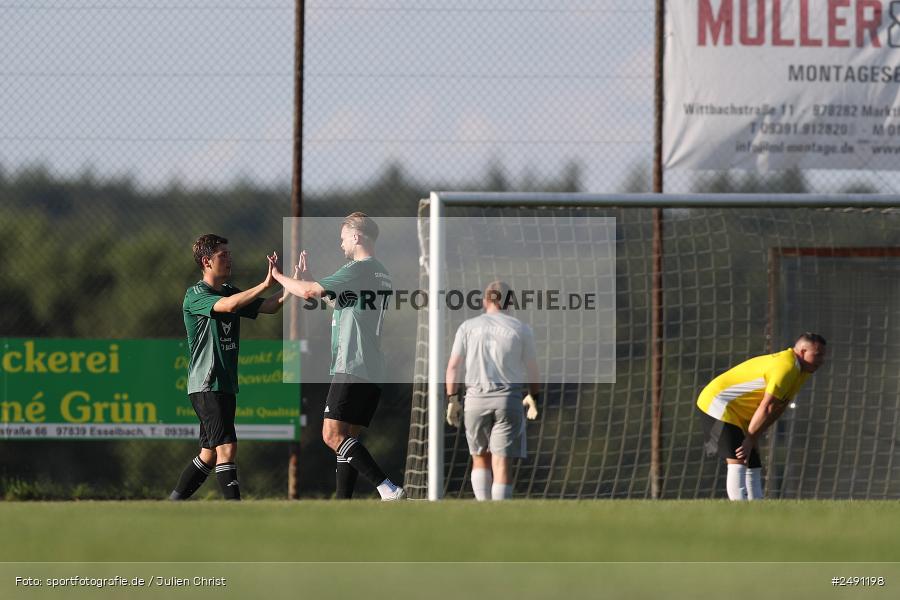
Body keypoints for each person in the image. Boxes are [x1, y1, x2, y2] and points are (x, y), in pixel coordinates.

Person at [273, 212, 405, 500]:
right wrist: (312, 283)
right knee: (347, 438)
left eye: (343, 237)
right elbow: (342, 305)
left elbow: (308, 293)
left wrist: (279, 277)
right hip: (371, 366)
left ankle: (388, 489)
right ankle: (343, 503)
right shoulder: (380, 271)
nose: (340, 243)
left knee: (331, 435)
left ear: (356, 237)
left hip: (352, 362)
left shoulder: (359, 268)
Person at [169, 234, 286, 501]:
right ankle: (235, 511)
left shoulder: (229, 290)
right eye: (223, 255)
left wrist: (292, 283)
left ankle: (172, 504)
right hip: (207, 383)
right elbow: (229, 306)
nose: (229, 258)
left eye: (229, 254)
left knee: (209, 454)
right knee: (227, 448)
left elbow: (269, 307)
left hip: (223, 383)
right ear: (206, 261)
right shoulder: (196, 295)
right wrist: (266, 282)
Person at [696, 332, 827, 501]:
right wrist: (750, 438)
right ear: (802, 351)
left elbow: (778, 408)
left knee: (753, 461)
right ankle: (740, 514)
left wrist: (753, 436)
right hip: (717, 403)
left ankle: (758, 509)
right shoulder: (786, 367)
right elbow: (768, 405)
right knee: (739, 458)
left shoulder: (801, 370)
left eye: (823, 356)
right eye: (817, 355)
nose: (821, 360)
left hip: (738, 411)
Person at [445, 281, 541, 500]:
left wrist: (452, 399)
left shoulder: (467, 327)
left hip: (475, 399)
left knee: (479, 457)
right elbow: (533, 369)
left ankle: (482, 508)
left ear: (485, 301)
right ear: (510, 303)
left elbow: (453, 367)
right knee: (502, 460)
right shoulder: (521, 329)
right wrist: (534, 396)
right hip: (508, 399)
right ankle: (500, 515)